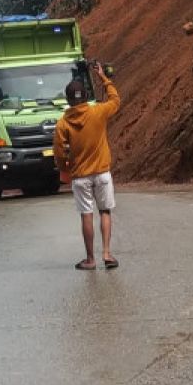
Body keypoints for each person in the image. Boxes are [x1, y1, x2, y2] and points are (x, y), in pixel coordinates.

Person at [53, 62, 121, 270]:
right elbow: (115, 100)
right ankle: (107, 254)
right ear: (85, 96)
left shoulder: (63, 124)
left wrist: (65, 168)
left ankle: (90, 259)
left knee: (86, 215)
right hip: (102, 173)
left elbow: (58, 152)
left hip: (80, 176)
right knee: (105, 212)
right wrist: (103, 78)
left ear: (68, 100)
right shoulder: (98, 112)